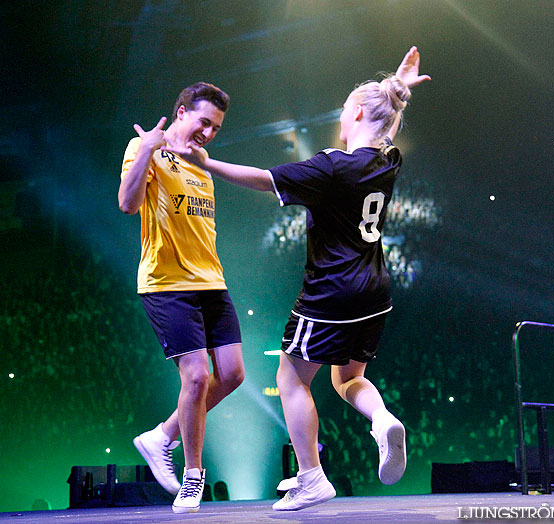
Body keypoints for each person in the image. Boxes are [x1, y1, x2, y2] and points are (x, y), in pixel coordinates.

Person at [165, 46, 430, 511]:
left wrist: (205, 164)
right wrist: (400, 91)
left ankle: (311, 477)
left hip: (331, 290)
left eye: (345, 109)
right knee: (347, 378)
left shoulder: (330, 167)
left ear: (358, 112)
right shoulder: (388, 161)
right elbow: (384, 125)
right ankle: (382, 418)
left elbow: (263, 178)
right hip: (375, 290)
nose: (341, 116)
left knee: (291, 377)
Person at [118, 82, 246, 514]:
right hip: (167, 283)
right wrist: (147, 152)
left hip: (212, 281)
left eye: (216, 128)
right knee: (194, 378)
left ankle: (160, 437)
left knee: (231, 375)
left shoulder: (202, 162)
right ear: (180, 112)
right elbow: (127, 204)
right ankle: (193, 479)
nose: (209, 133)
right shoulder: (144, 145)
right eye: (203, 122)